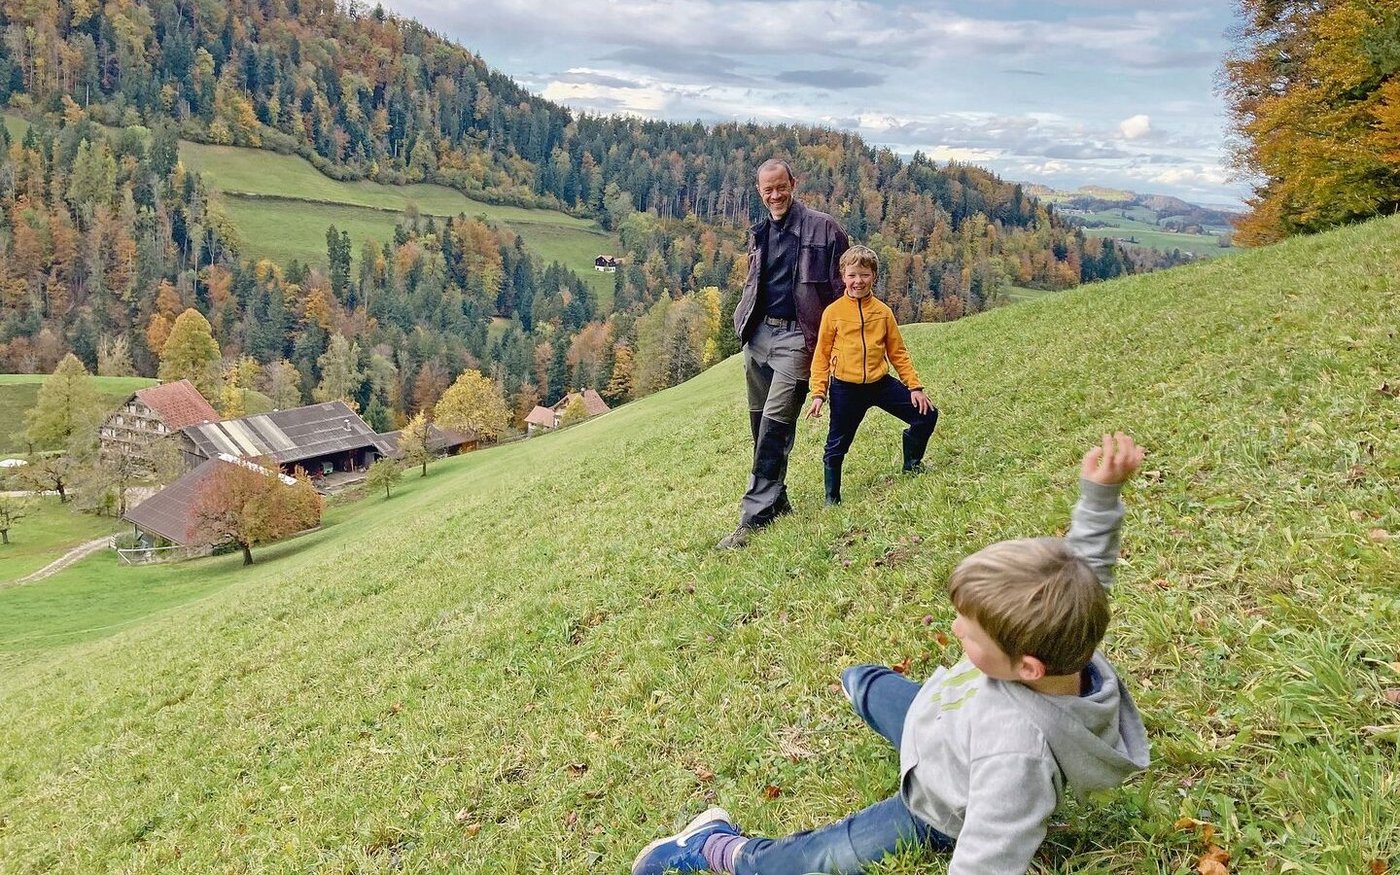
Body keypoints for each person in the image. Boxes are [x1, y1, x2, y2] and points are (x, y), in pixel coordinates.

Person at [634, 433, 1151, 875]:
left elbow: (987, 858)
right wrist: (1101, 497)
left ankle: (719, 848)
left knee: (812, 860)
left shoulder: (1015, 754)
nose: (954, 631)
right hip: (942, 723)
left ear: (1026, 667)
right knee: (865, 681)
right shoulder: (1069, 623)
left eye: (970, 635)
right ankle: (865, 687)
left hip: (934, 803)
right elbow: (1087, 568)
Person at [716, 158, 849, 550]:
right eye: (767, 190)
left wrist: (837, 345)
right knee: (760, 427)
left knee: (775, 427)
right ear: (760, 192)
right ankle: (777, 500)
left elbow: (848, 289)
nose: (775, 195)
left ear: (793, 183)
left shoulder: (825, 229)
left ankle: (752, 518)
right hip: (758, 335)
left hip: (798, 341)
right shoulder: (761, 232)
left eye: (781, 187)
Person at [806, 245, 939, 505]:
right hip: (845, 389)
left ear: (874, 276)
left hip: (880, 384)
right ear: (843, 276)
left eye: (864, 275)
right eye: (852, 275)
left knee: (927, 415)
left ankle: (912, 465)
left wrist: (915, 387)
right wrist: (819, 393)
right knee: (836, 446)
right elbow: (821, 355)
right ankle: (832, 499)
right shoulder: (833, 313)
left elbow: (898, 352)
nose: (858, 281)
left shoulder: (883, 312)